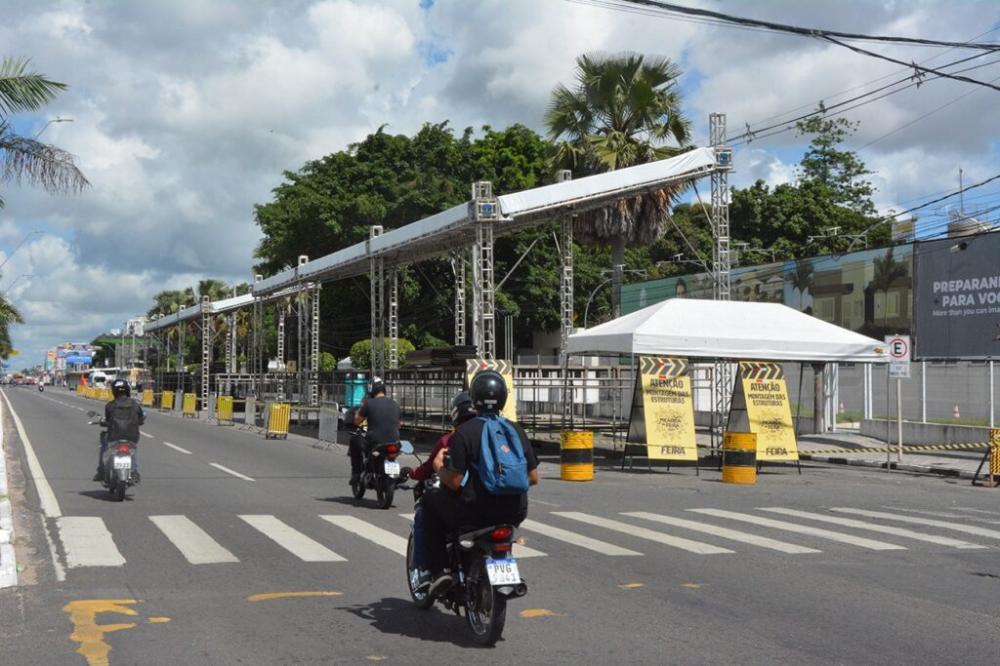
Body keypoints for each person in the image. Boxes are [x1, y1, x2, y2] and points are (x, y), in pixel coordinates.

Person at [422, 370, 539, 597]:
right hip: (515, 512)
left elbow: (455, 482)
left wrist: (439, 469)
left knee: (429, 503)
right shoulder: (516, 430)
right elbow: (533, 478)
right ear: (504, 398)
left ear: (474, 399)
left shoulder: (465, 432)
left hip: (475, 512)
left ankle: (440, 571)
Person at [408, 391, 478, 591]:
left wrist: (419, 472)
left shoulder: (451, 439)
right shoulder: (499, 433)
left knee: (426, 510)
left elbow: (434, 469)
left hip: (464, 503)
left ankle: (428, 571)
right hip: (501, 506)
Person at [348, 378, 401, 485]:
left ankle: (356, 473)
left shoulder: (369, 403)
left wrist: (360, 408)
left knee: (354, 440)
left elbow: (357, 421)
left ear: (371, 389)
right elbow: (399, 425)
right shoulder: (395, 404)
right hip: (394, 442)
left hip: (374, 442)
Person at [94, 378, 145, 483]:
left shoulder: (110, 405)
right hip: (132, 436)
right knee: (133, 450)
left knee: (104, 443)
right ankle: (134, 471)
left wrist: (102, 422)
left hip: (114, 436)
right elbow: (141, 419)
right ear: (127, 390)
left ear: (114, 391)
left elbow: (108, 421)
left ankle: (101, 471)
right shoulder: (135, 404)